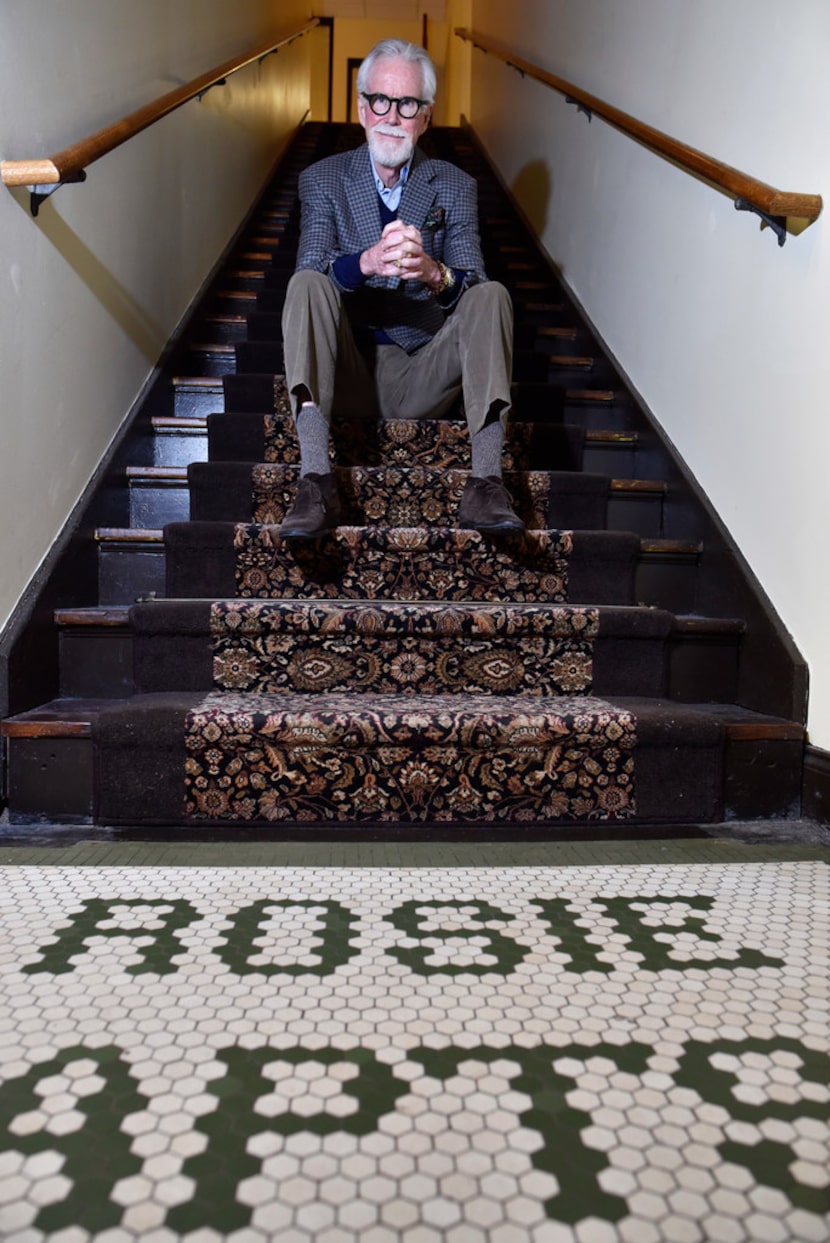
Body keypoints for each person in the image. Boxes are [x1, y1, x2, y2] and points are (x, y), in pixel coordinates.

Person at [279, 37, 524, 539]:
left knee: (493, 294)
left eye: (407, 103)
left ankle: (485, 484)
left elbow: (472, 283)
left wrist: (434, 274)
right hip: (349, 368)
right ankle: (315, 480)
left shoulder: (454, 185)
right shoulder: (322, 179)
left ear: (426, 116)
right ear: (361, 109)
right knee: (305, 283)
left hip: (424, 371)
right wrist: (366, 262)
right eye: (380, 100)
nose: (392, 114)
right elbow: (313, 266)